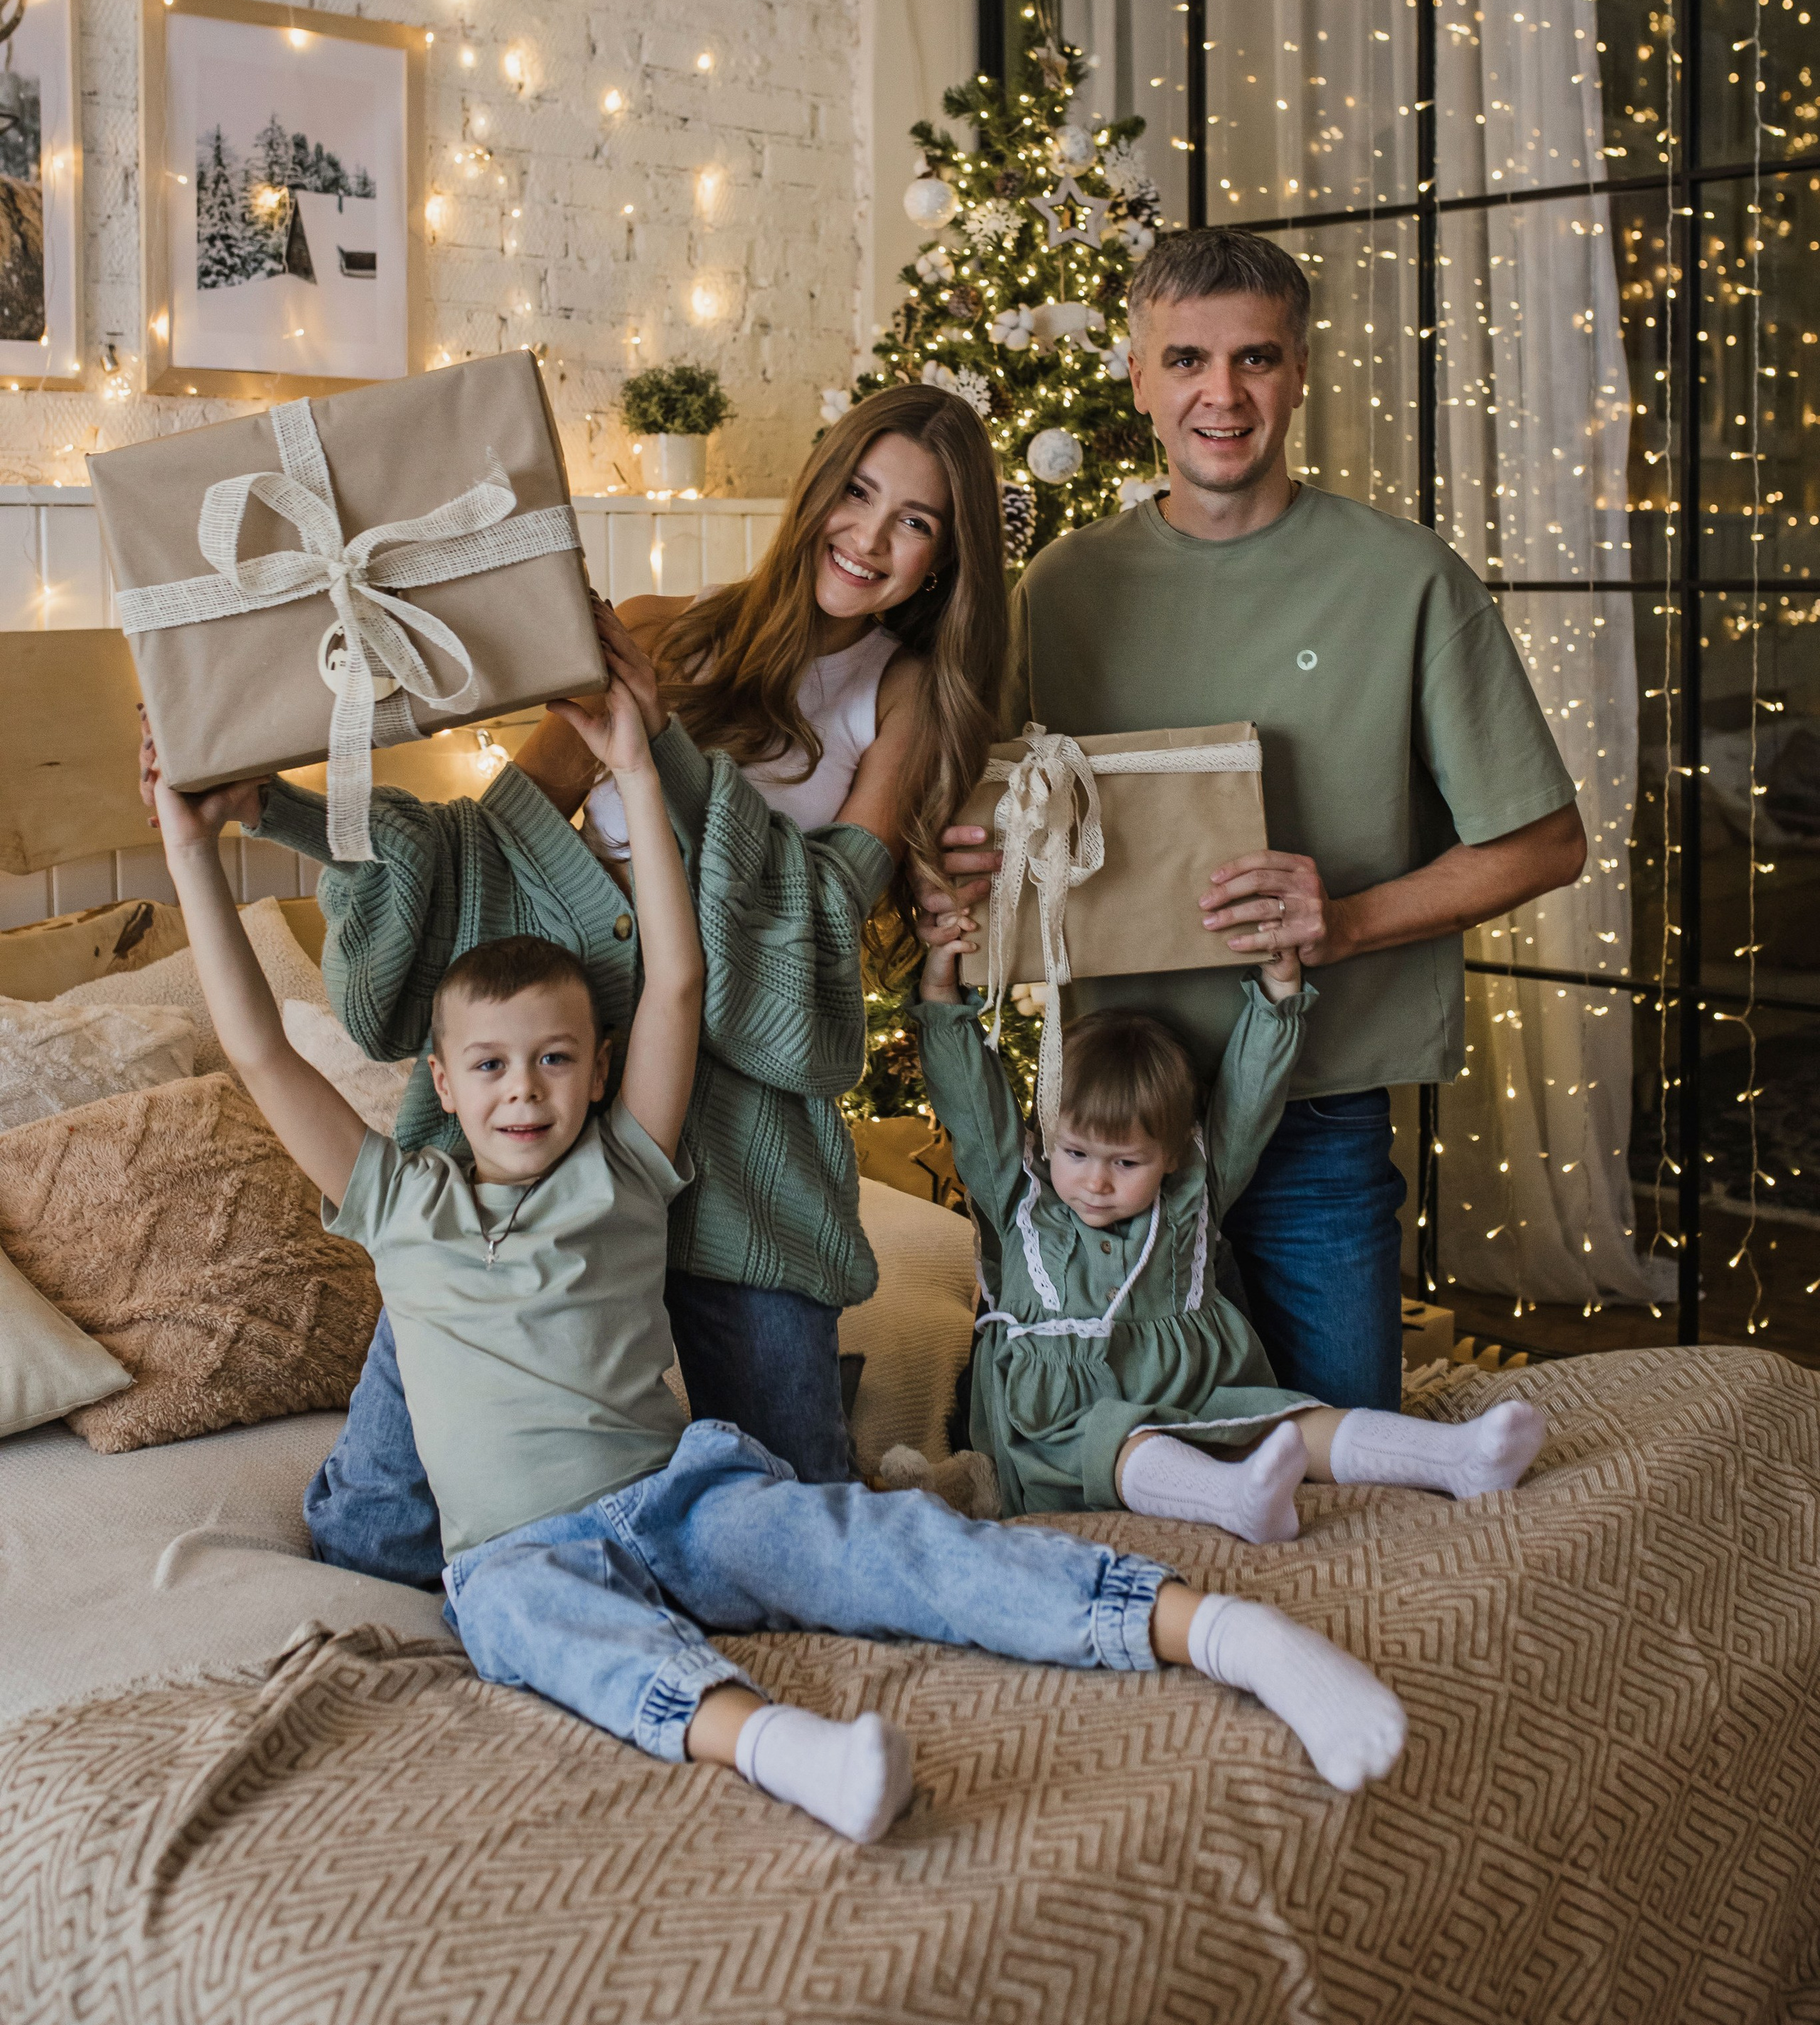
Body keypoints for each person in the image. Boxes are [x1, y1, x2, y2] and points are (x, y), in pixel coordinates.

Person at [145, 657, 1409, 1823]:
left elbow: (678, 981)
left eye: (555, 1060)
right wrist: (189, 846)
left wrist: (637, 767)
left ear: (598, 1072)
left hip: (680, 1499)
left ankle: (1223, 1633)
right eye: (489, 1066)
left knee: (881, 1545)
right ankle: (779, 1745)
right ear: (442, 1079)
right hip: (516, 1551)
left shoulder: (624, 1170)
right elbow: (257, 1045)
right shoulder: (396, 1202)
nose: (523, 1090)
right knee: (528, 1629)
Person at [149, 387, 1009, 1585]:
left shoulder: (909, 696)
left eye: (916, 522)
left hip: (738, 1130)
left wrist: (659, 750)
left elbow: (820, 919)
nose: (871, 537)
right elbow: (487, 842)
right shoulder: (655, 630)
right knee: (379, 1532)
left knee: (792, 1529)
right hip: (544, 1101)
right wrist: (277, 807)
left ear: (944, 560)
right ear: (819, 489)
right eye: (859, 493)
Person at [926, 227, 1586, 1414]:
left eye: (1256, 359)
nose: (1221, 395)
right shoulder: (1058, 588)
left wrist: (1348, 922)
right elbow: (991, 815)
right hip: (1107, 1123)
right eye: (1187, 360)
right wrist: (969, 863)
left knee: (1343, 1453)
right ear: (1139, 378)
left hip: (1313, 1116)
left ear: (1300, 372)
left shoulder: (1407, 579)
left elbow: (1546, 842)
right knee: (1116, 1458)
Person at [914, 917, 1546, 1533]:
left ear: (1172, 1154)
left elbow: (1247, 1099)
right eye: (1076, 1153)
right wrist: (941, 997)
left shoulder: (1194, 1191)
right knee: (1120, 1438)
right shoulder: (1021, 1195)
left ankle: (1456, 1457)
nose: (1096, 1181)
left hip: (1196, 1393)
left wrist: (1278, 996)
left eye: (1126, 1162)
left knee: (1288, 1419)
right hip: (1065, 1423)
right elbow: (972, 1103)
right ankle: (1230, 1497)